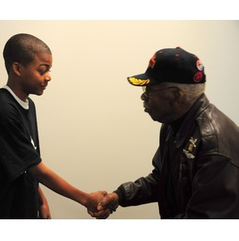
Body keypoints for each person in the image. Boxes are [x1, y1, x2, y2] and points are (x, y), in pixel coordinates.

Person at [0, 33, 106, 219]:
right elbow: (36, 168)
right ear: (18, 69)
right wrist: (86, 199)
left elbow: (25, 161)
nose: (49, 77)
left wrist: (41, 201)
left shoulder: (28, 105)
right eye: (43, 70)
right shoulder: (2, 109)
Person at [92, 47, 239, 219]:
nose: (143, 97)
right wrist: (120, 195)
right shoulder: (173, 124)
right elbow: (162, 179)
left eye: (149, 90)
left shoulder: (214, 145)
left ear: (176, 96)